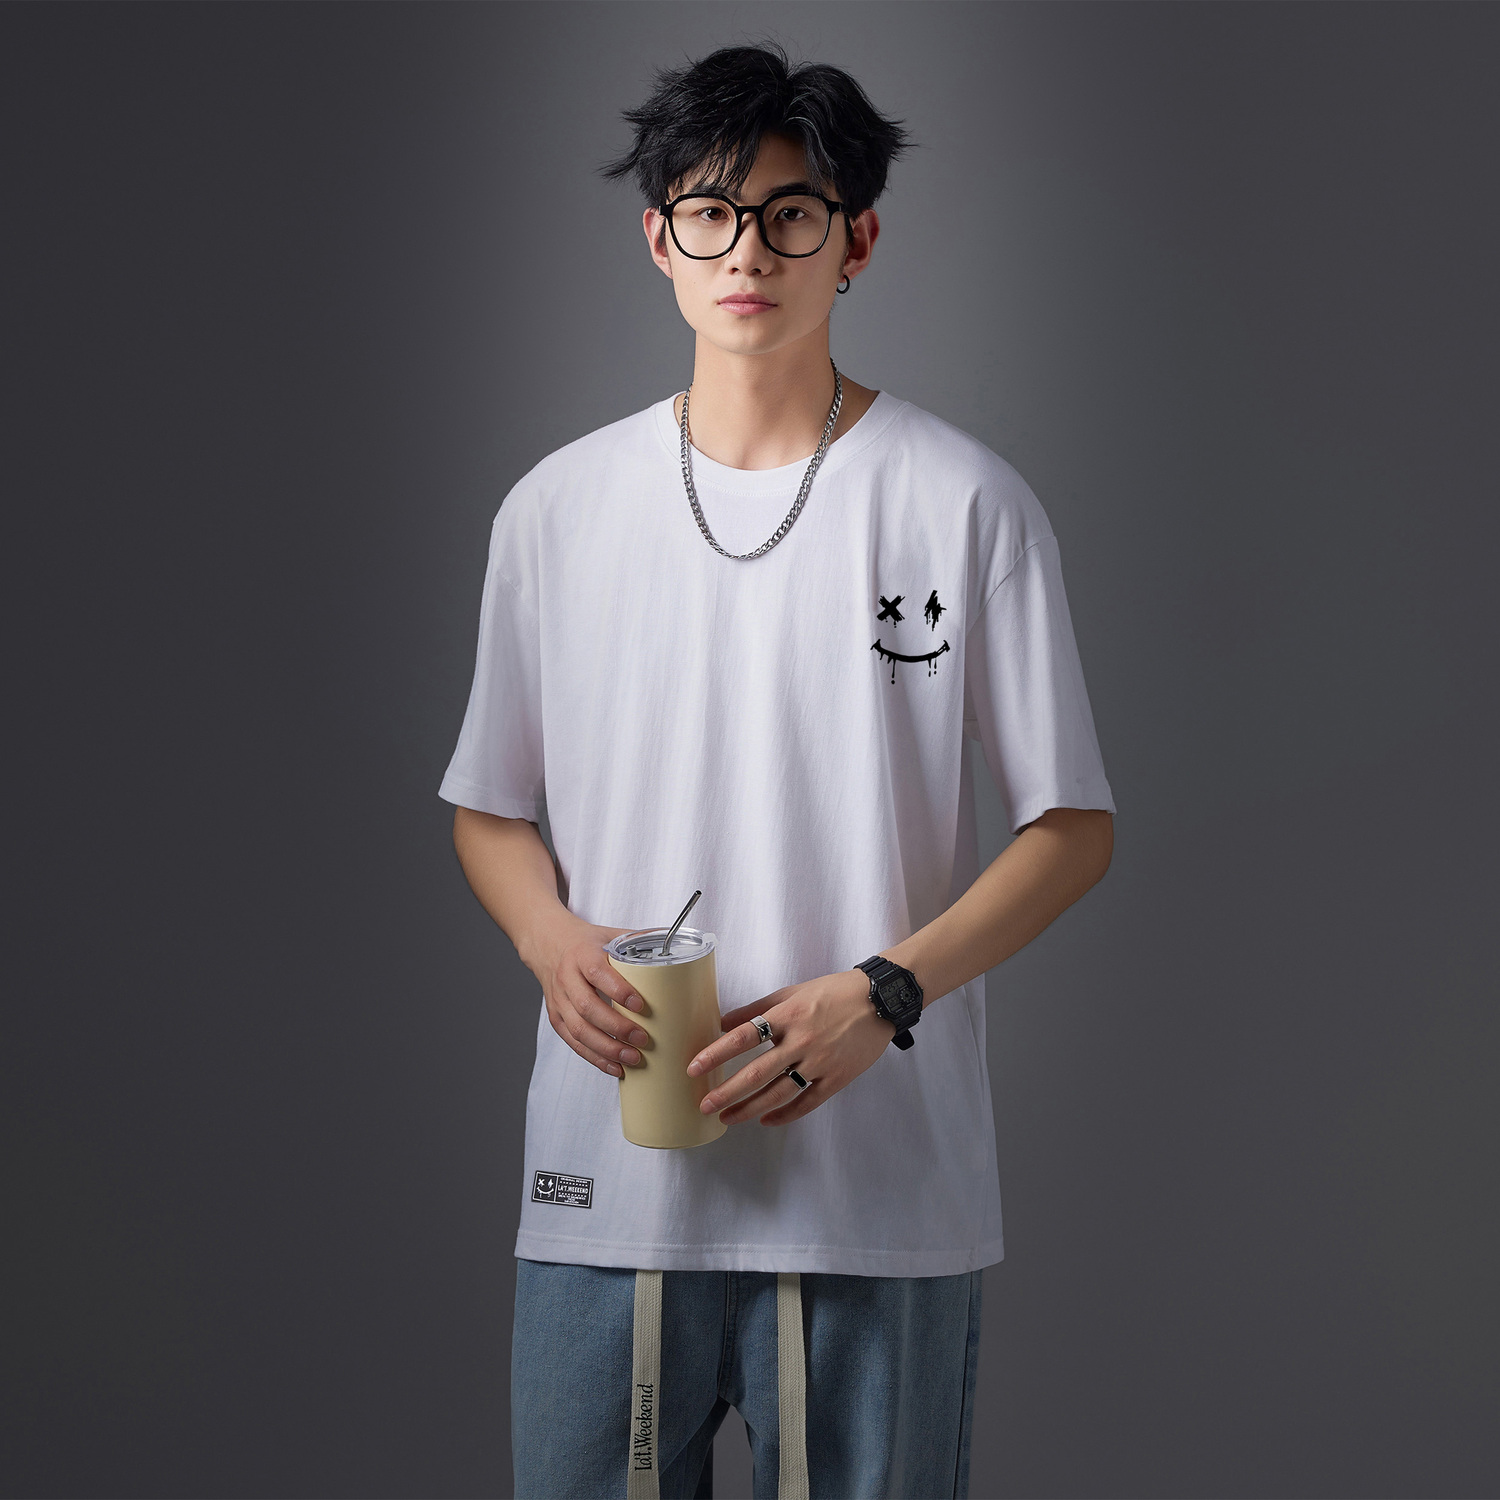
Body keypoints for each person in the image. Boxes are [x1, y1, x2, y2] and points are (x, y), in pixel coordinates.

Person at [439, 39, 1115, 1500]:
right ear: (659, 239)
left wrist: (886, 993)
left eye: (790, 214)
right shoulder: (555, 512)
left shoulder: (966, 503)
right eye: (710, 213)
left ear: (856, 240)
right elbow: (488, 806)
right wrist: (550, 940)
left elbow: (1072, 825)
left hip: (878, 1194)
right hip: (610, 1187)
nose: (747, 251)